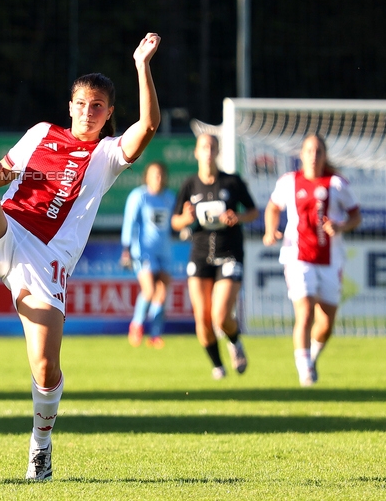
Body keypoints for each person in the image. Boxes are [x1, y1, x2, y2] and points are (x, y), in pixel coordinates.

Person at [0, 33, 161, 481]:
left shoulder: (106, 154)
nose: (86, 111)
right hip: (7, 228)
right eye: (80, 103)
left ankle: (40, 444)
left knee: (45, 367)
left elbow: (149, 127)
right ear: (70, 105)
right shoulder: (41, 133)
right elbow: (4, 175)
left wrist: (142, 64)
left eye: (97, 105)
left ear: (108, 113)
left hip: (45, 262)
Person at [262, 134, 361, 386]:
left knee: (325, 324)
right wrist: (270, 230)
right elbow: (273, 207)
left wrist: (340, 227)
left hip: (330, 260)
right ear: (301, 154)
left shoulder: (336, 184)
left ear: (325, 155)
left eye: (318, 151)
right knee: (304, 313)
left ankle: (312, 357)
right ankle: (304, 372)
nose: (313, 155)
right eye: (309, 150)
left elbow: (355, 216)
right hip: (297, 257)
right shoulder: (289, 182)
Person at [171, 134, 258, 380]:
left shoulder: (231, 182)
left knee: (220, 316)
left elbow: (253, 211)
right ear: (196, 153)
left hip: (230, 253)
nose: (208, 151)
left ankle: (235, 341)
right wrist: (186, 219)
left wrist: (237, 217)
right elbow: (175, 222)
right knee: (203, 318)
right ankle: (218, 366)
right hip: (200, 255)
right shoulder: (190, 185)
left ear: (217, 151)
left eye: (212, 147)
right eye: (203, 147)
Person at [120, 161, 175, 349]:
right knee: (150, 290)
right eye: (154, 175)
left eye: (161, 175)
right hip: (143, 252)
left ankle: (155, 335)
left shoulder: (169, 197)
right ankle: (136, 324)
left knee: (161, 294)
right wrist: (126, 248)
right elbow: (130, 222)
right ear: (147, 177)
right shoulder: (139, 196)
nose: (158, 178)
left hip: (164, 251)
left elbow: (175, 222)